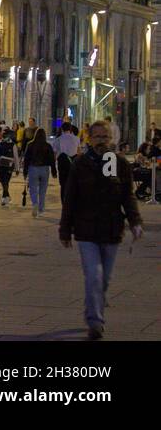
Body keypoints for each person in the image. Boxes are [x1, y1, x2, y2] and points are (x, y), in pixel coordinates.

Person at [59, 120, 144, 339]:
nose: (100, 141)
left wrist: (135, 222)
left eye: (104, 137)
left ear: (111, 139)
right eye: (96, 137)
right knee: (94, 276)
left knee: (104, 279)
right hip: (86, 229)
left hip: (111, 229)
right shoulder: (80, 164)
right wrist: (65, 229)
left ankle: (93, 308)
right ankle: (95, 322)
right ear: (89, 139)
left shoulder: (119, 163)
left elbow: (128, 196)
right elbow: (70, 198)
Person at [22, 127, 55, 217]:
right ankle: (41, 208)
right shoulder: (47, 146)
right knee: (43, 190)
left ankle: (35, 204)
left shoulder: (30, 144)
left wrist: (25, 171)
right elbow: (52, 159)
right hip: (44, 169)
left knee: (33, 189)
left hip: (33, 168)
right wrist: (54, 171)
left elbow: (26, 159)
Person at [55, 122, 81, 197]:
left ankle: (64, 202)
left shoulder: (58, 139)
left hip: (62, 164)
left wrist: (53, 167)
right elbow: (79, 153)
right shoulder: (76, 139)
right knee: (73, 183)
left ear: (62, 129)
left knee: (63, 185)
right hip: (73, 164)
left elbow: (55, 154)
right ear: (70, 129)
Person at [0, 128, 17, 206]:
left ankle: (4, 198)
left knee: (5, 181)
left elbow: (16, 157)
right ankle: (7, 196)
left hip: (8, 166)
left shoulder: (12, 144)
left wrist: (17, 168)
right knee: (3, 181)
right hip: (1, 166)